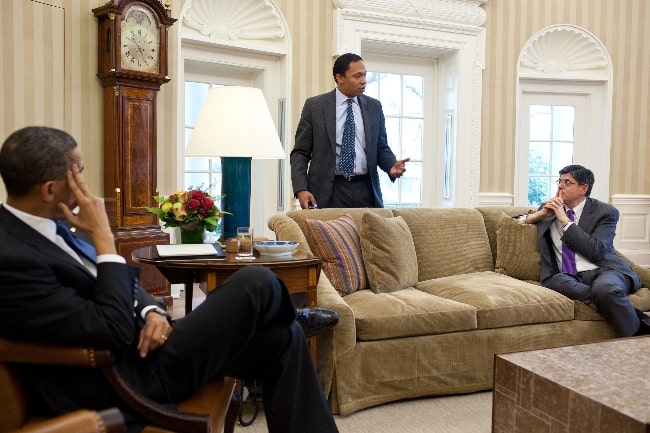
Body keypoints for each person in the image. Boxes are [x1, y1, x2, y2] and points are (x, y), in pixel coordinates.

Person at [0, 126, 340, 433]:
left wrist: (153, 313)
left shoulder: (53, 227)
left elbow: (116, 288)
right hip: (128, 376)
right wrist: (105, 238)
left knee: (284, 337)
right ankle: (287, 311)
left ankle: (288, 319)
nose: (85, 187)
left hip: (150, 348)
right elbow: (111, 326)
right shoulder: (11, 259)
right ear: (49, 189)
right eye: (78, 174)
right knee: (256, 281)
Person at [523, 164, 649, 337]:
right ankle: (635, 318)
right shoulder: (548, 208)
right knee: (555, 282)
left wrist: (564, 220)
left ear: (584, 188)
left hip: (604, 269)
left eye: (567, 182)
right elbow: (517, 220)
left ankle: (635, 339)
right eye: (559, 181)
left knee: (605, 290)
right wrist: (540, 215)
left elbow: (596, 251)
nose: (560, 186)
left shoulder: (606, 212)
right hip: (566, 276)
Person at [290, 52, 410, 209]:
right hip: (329, 191)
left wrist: (391, 165)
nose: (363, 81)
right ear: (340, 78)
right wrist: (301, 188)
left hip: (366, 189)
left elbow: (380, 147)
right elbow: (300, 152)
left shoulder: (374, 107)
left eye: (365, 75)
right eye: (357, 76)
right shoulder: (315, 107)